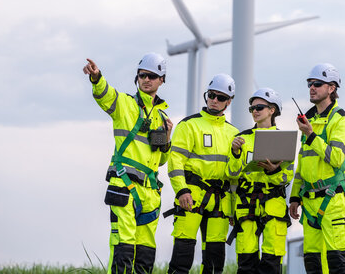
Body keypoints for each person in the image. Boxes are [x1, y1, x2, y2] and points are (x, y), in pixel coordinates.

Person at [83, 53, 173, 274]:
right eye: (142, 75)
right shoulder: (125, 104)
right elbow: (105, 95)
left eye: (152, 76)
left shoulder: (162, 118)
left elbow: (160, 160)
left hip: (151, 193)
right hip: (125, 185)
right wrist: (96, 78)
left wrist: (167, 138)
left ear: (162, 80)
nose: (146, 79)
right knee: (123, 248)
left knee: (145, 253)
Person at [165, 73, 239, 274]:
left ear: (229, 102)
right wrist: (181, 191)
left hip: (221, 201)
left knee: (215, 262)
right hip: (191, 196)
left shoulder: (234, 133)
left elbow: (234, 177)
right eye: (211, 95)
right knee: (182, 257)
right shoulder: (188, 125)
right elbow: (175, 161)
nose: (214, 100)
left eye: (220, 97)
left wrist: (233, 209)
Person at [289, 63, 345, 274]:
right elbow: (303, 164)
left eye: (318, 83)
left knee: (338, 262)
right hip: (309, 205)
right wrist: (294, 197)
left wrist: (311, 135)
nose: (312, 87)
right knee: (313, 263)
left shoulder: (341, 120)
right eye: (310, 83)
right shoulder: (310, 121)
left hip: (333, 202)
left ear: (332, 88)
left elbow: (336, 158)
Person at [226, 88, 294, 274]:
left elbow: (287, 177)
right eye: (252, 108)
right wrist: (235, 153)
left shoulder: (283, 139)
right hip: (246, 205)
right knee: (246, 263)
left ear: (272, 110)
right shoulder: (241, 138)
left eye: (259, 107)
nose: (254, 111)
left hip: (273, 204)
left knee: (271, 263)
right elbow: (231, 174)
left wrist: (274, 171)